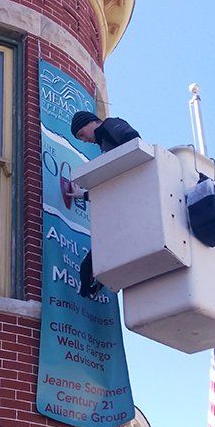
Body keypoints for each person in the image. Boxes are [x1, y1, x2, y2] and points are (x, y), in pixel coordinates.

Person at [68, 110, 141, 297]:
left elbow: (134, 141)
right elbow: (112, 185)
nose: (84, 140)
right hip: (124, 203)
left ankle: (92, 281)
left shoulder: (110, 125)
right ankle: (92, 282)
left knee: (106, 245)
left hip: (132, 202)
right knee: (104, 247)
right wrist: (83, 195)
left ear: (90, 122)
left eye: (81, 134)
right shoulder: (105, 142)